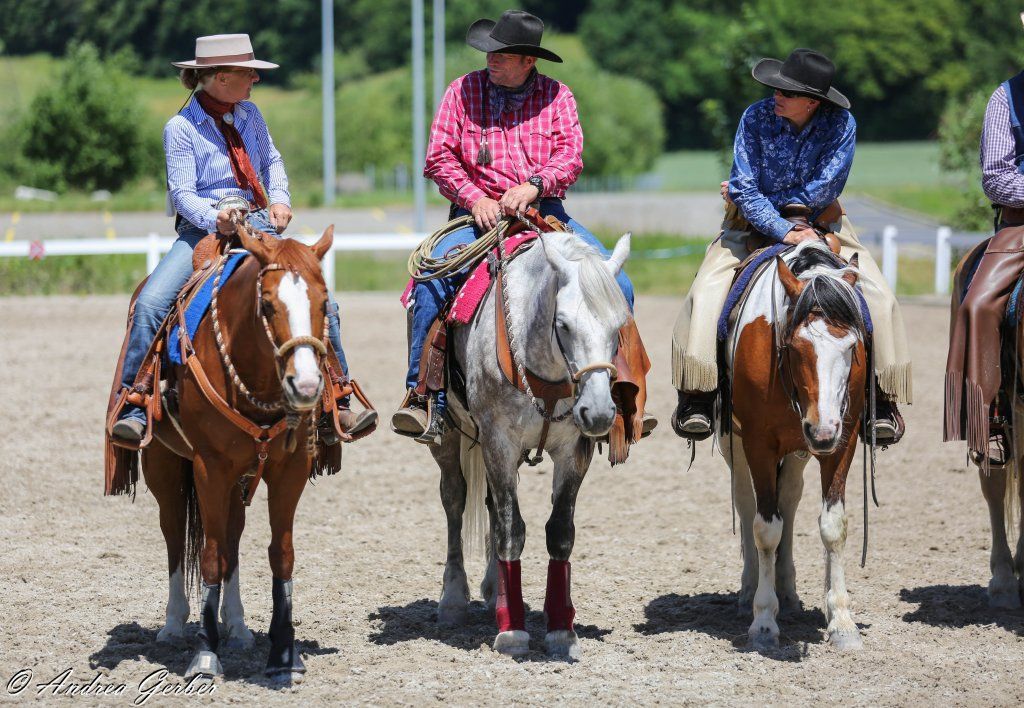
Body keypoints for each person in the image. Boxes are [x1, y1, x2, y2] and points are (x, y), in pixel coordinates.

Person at [391, 9, 654, 440]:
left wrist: (534, 186)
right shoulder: (462, 91)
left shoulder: (558, 96)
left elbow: (570, 156)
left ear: (528, 61)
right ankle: (423, 395)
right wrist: (474, 197)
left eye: (502, 54)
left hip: (544, 213)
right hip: (475, 215)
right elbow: (438, 157)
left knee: (617, 284)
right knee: (430, 280)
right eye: (490, 52)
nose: (490, 59)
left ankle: (621, 395)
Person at [111, 34, 375, 442]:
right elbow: (182, 193)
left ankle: (336, 399)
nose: (255, 79)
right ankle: (136, 400)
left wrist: (280, 198)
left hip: (258, 225)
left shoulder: (250, 114)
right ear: (220, 77)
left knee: (324, 304)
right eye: (248, 72)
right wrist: (215, 217)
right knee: (150, 304)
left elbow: (271, 161)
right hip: (202, 231)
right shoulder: (180, 128)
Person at [670, 48, 911, 443]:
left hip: (822, 219)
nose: (775, 95)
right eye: (776, 88)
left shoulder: (841, 124)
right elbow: (744, 185)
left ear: (812, 101)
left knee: (880, 298)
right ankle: (698, 394)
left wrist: (783, 214)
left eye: (786, 91)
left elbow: (826, 186)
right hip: (750, 222)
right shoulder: (755, 117)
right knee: (706, 290)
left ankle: (881, 400)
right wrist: (781, 228)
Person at [945, 22, 1024, 464]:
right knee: (977, 304)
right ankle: (988, 418)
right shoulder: (1006, 98)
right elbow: (996, 177)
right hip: (1021, 224)